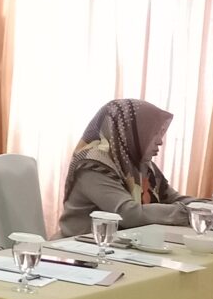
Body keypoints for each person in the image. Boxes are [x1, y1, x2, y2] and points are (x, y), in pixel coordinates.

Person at [58, 98, 196, 236]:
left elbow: (172, 198)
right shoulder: (92, 164)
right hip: (81, 245)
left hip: (124, 244)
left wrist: (205, 207)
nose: (160, 142)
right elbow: (128, 214)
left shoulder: (139, 164)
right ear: (130, 132)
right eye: (154, 134)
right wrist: (187, 213)